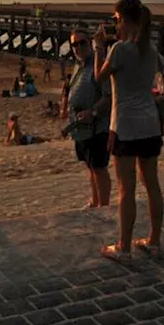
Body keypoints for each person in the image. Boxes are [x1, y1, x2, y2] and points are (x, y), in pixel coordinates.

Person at [92, 0, 164, 262]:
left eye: (116, 19)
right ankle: (154, 241)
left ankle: (123, 246)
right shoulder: (151, 48)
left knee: (127, 188)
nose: (115, 25)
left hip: (125, 125)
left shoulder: (120, 49)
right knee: (152, 184)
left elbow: (98, 78)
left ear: (123, 19)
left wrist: (99, 47)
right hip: (150, 123)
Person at [65, 30, 111, 208]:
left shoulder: (98, 64)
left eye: (82, 43)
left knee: (99, 167)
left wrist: (92, 112)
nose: (78, 47)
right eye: (74, 44)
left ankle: (104, 205)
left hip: (96, 126)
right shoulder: (78, 65)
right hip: (80, 128)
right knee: (90, 166)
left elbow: (108, 95)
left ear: (90, 43)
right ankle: (95, 200)